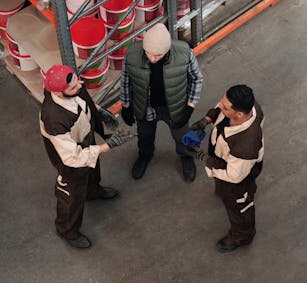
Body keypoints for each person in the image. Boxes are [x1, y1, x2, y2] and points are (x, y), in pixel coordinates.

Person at [40, 64, 135, 249]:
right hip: (70, 159)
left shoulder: (72, 87)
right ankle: (67, 229)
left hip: (85, 139)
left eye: (78, 81)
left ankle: (92, 191)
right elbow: (71, 157)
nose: (80, 85)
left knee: (92, 169)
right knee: (72, 194)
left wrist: (98, 110)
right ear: (58, 93)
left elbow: (82, 101)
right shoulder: (53, 119)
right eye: (74, 87)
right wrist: (107, 146)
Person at [120, 23, 203, 182]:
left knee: (183, 135)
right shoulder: (132, 55)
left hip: (175, 105)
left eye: (157, 55)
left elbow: (196, 79)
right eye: (147, 53)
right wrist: (126, 106)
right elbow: (126, 80)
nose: (151, 58)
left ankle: (186, 157)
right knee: (145, 135)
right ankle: (145, 155)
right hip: (145, 106)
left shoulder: (184, 54)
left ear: (167, 50)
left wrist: (189, 106)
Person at [190, 85, 264, 252]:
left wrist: (204, 159)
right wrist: (207, 119)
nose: (219, 107)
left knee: (238, 205)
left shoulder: (246, 145)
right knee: (225, 190)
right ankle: (238, 191)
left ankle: (243, 235)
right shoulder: (250, 107)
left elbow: (234, 176)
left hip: (238, 175)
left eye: (224, 107)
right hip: (226, 159)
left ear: (239, 114)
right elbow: (219, 106)